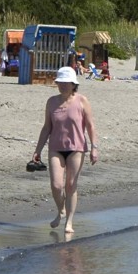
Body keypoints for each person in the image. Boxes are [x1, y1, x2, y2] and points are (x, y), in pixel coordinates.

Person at [33, 66, 98, 234]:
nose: (62, 85)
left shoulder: (82, 101)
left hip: (76, 148)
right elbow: (47, 127)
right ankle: (60, 210)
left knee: (70, 185)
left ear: (73, 84)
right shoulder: (51, 102)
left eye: (65, 83)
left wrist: (94, 148)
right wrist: (37, 150)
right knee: (56, 185)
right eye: (59, 82)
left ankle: (69, 221)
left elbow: (90, 126)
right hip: (55, 147)